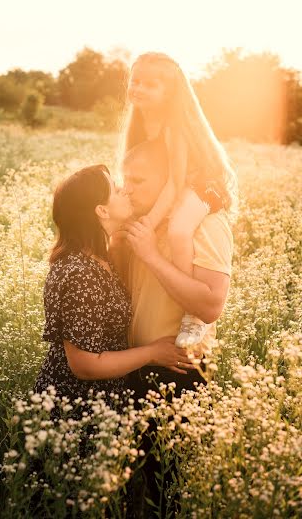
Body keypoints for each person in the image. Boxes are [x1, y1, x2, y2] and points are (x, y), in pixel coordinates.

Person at [116, 137, 234, 516]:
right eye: (125, 179)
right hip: (134, 367)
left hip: (179, 373)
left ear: (169, 182)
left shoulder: (206, 225)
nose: (128, 189)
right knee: (136, 490)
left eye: (139, 181)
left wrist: (150, 254)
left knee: (171, 492)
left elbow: (210, 304)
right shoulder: (140, 223)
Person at [34, 164, 196, 403]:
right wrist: (153, 353)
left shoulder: (101, 259)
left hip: (101, 403)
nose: (126, 191)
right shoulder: (80, 273)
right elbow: (84, 365)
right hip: (74, 407)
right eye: (117, 190)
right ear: (102, 211)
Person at [123, 52, 237, 348]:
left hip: (202, 187)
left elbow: (175, 182)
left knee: (178, 230)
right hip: (182, 188)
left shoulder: (173, 127)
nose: (139, 89)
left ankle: (191, 316)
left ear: (169, 91)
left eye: (151, 84)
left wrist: (151, 220)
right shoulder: (142, 124)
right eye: (135, 81)